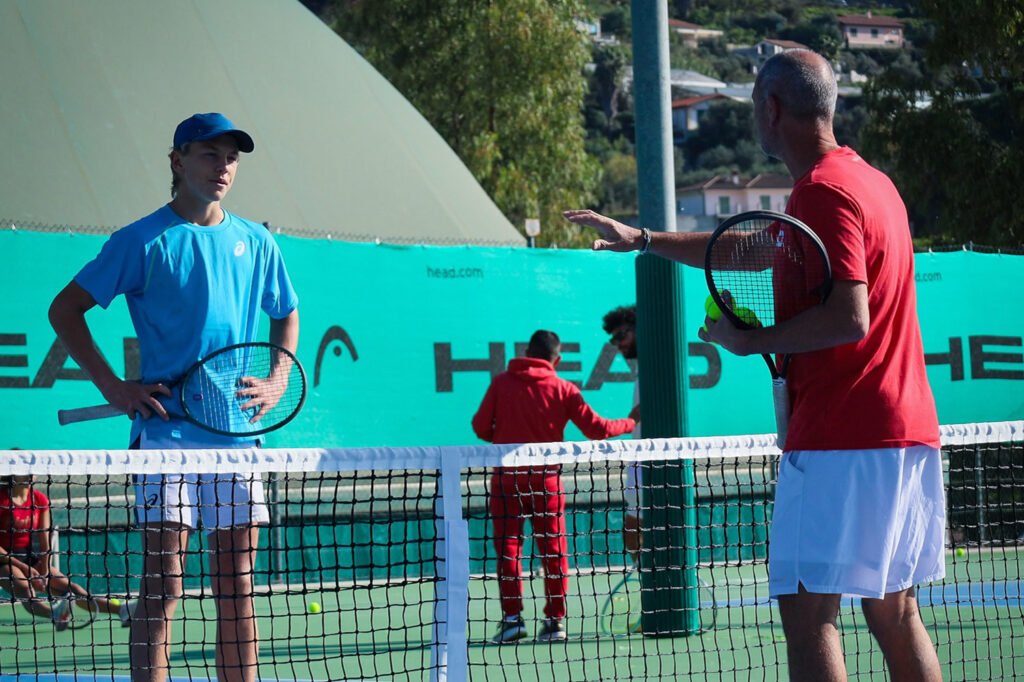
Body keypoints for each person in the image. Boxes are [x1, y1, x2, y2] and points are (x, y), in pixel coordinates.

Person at [564, 49, 944, 682]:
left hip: (842, 438)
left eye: (752, 108)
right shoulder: (872, 184)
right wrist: (647, 240)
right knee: (895, 612)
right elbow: (752, 248)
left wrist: (751, 340)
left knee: (807, 615)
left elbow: (852, 317)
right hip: (904, 434)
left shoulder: (822, 192)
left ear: (772, 110)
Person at [48, 113, 300, 682]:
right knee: (162, 590)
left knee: (237, 590)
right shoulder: (139, 241)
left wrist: (279, 377)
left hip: (238, 440)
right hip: (165, 440)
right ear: (177, 161)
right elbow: (64, 310)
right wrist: (115, 387)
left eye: (231, 157)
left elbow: (286, 313)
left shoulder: (257, 243)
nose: (223, 166)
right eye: (210, 154)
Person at [472, 330, 635, 644]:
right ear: (556, 359)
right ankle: (554, 622)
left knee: (508, 550)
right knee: (554, 550)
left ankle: (511, 621)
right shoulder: (563, 388)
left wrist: (507, 441)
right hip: (546, 483)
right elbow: (596, 429)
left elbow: (480, 427)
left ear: (526, 351)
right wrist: (630, 422)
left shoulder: (501, 383)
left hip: (507, 479)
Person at [0, 474, 135, 630]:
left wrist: (44, 570)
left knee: (74, 590)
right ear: (12, 473)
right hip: (4, 560)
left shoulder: (39, 499)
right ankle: (55, 614)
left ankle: (123, 610)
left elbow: (44, 538)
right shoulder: (1, 500)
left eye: (32, 470)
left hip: (29, 557)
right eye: (24, 471)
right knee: (26, 589)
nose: (31, 474)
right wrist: (25, 569)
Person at [601, 305, 643, 562]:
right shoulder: (640, 367)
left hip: (661, 461)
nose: (617, 344)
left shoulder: (657, 361)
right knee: (633, 523)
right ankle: (644, 572)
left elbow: (639, 412)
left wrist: (624, 423)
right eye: (613, 339)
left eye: (621, 336)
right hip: (640, 459)